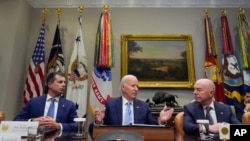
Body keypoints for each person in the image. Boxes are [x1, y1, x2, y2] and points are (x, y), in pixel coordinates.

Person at [89, 74, 174, 137]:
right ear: (123, 88)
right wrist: (98, 122)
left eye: (137, 86)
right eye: (133, 86)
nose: (136, 89)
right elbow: (92, 130)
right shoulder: (111, 105)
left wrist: (161, 121)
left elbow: (153, 129)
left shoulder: (144, 107)